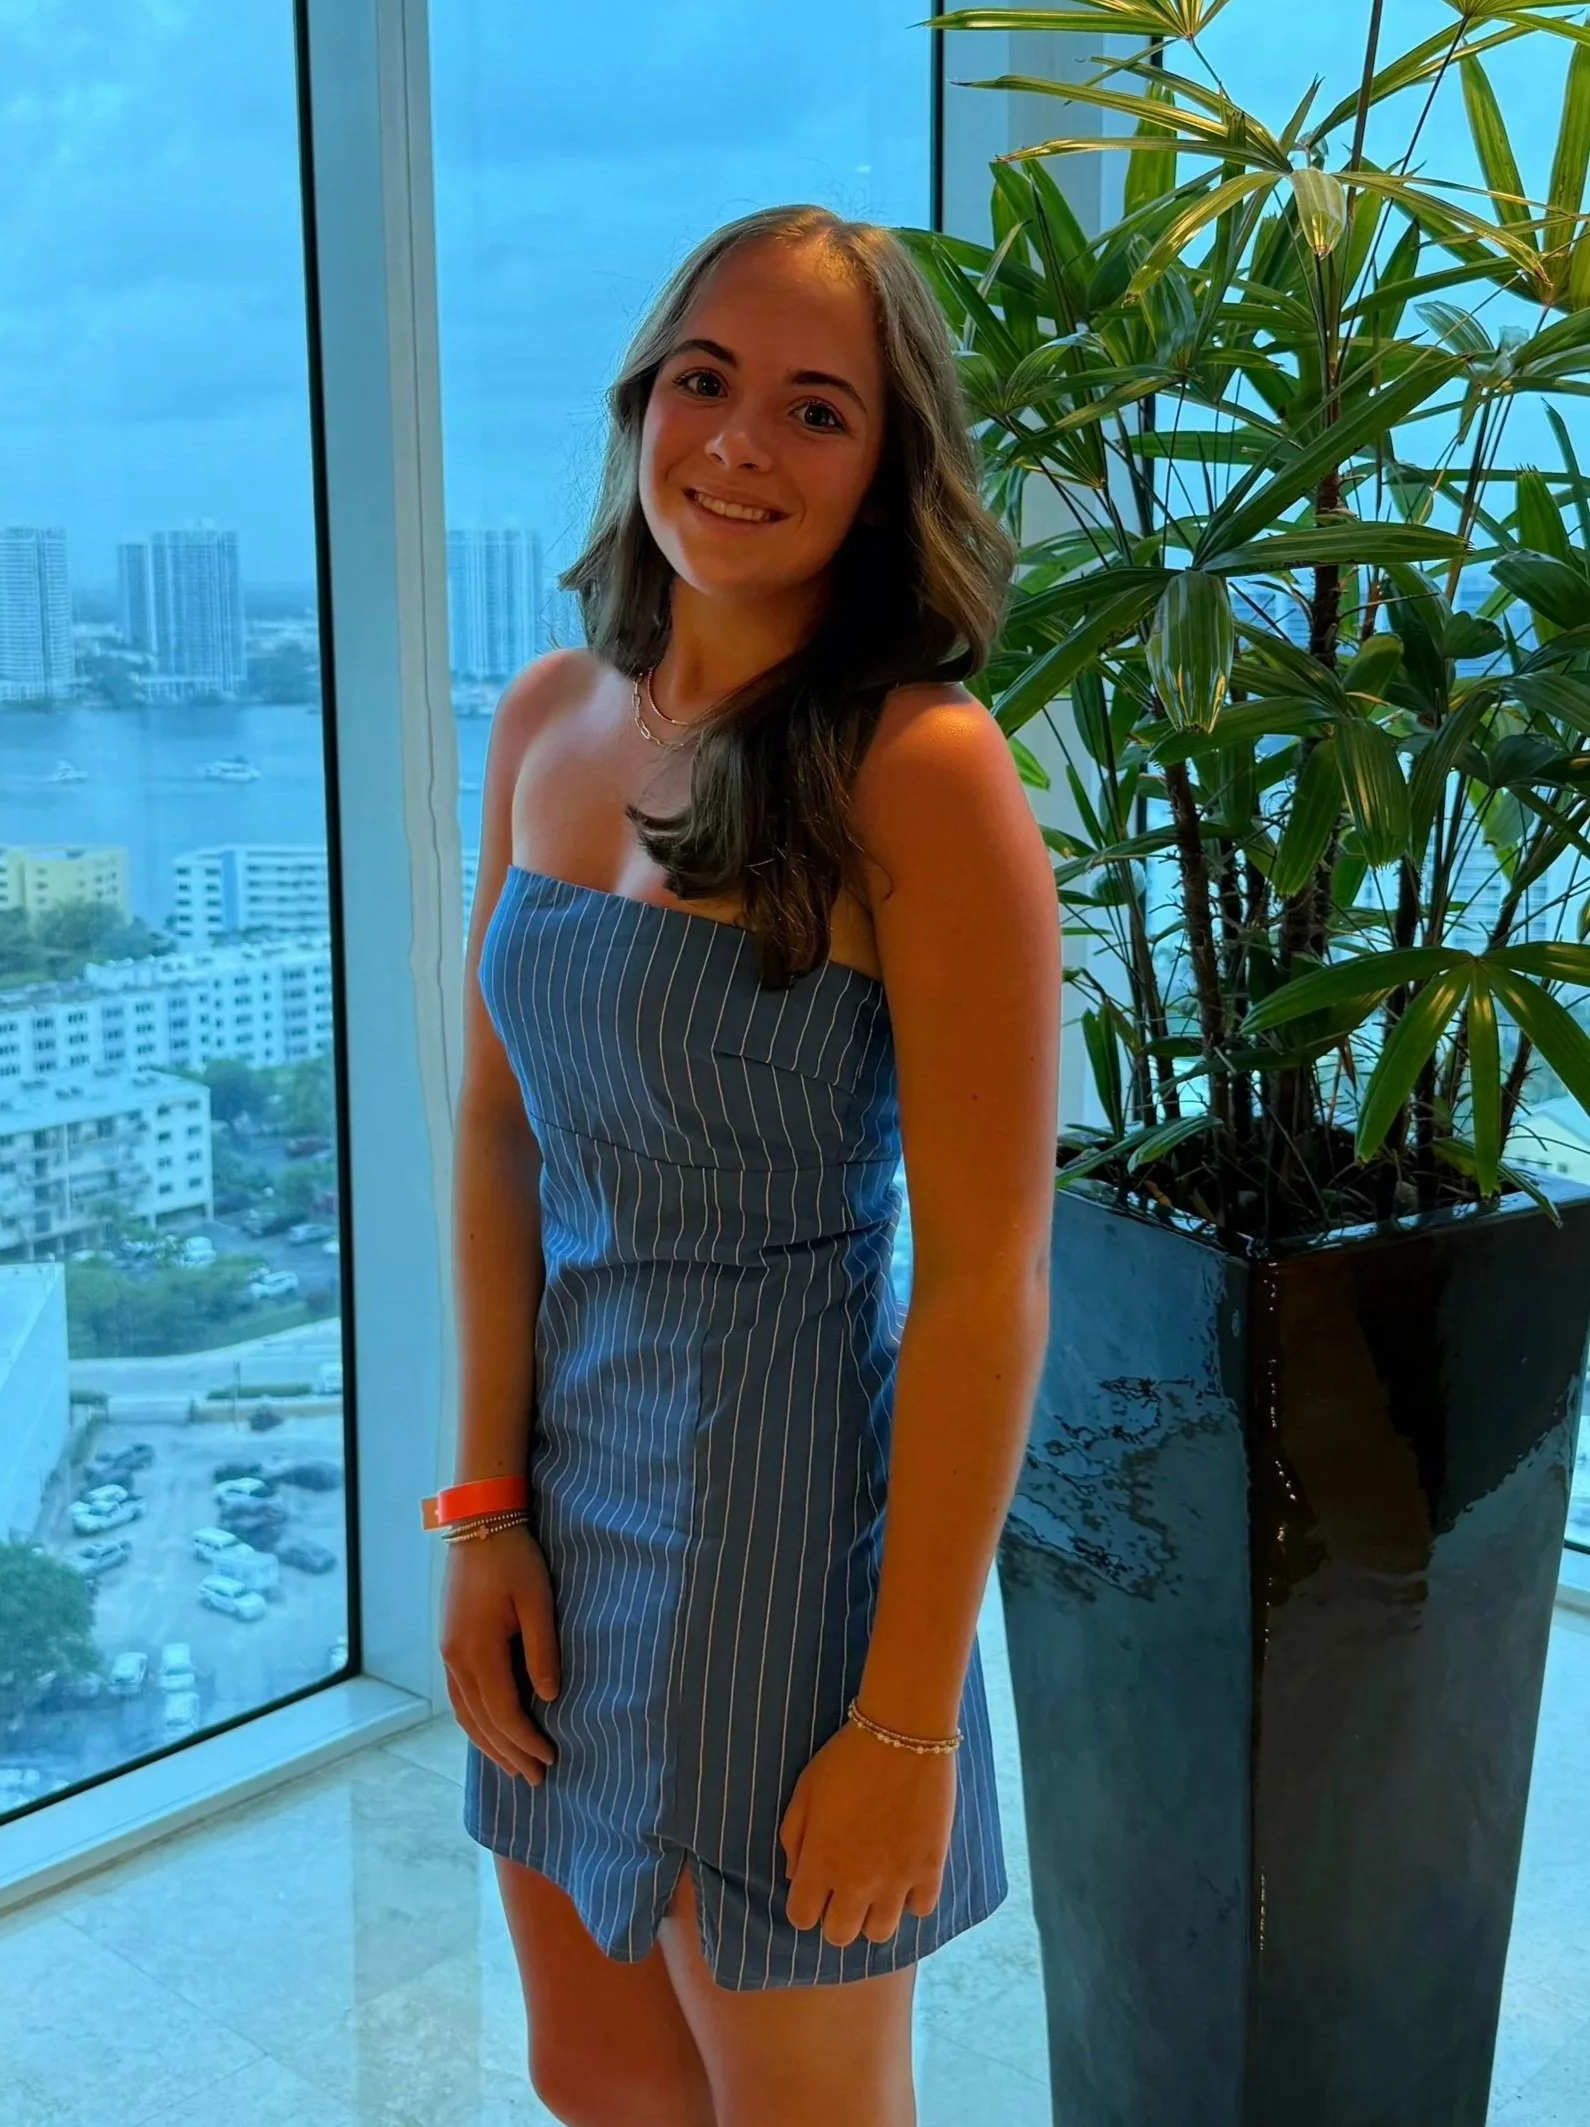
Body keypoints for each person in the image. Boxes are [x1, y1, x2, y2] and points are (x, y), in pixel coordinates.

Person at [437, 202, 1061, 2127]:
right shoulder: (546, 720)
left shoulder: (919, 770)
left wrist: (907, 1720)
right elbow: (495, 1130)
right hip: (565, 1511)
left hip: (781, 1558)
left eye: (815, 408)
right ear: (640, 406)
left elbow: (985, 1275)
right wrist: (479, 1512)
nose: (738, 444)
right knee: (598, 2078)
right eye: (703, 381)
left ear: (886, 470)